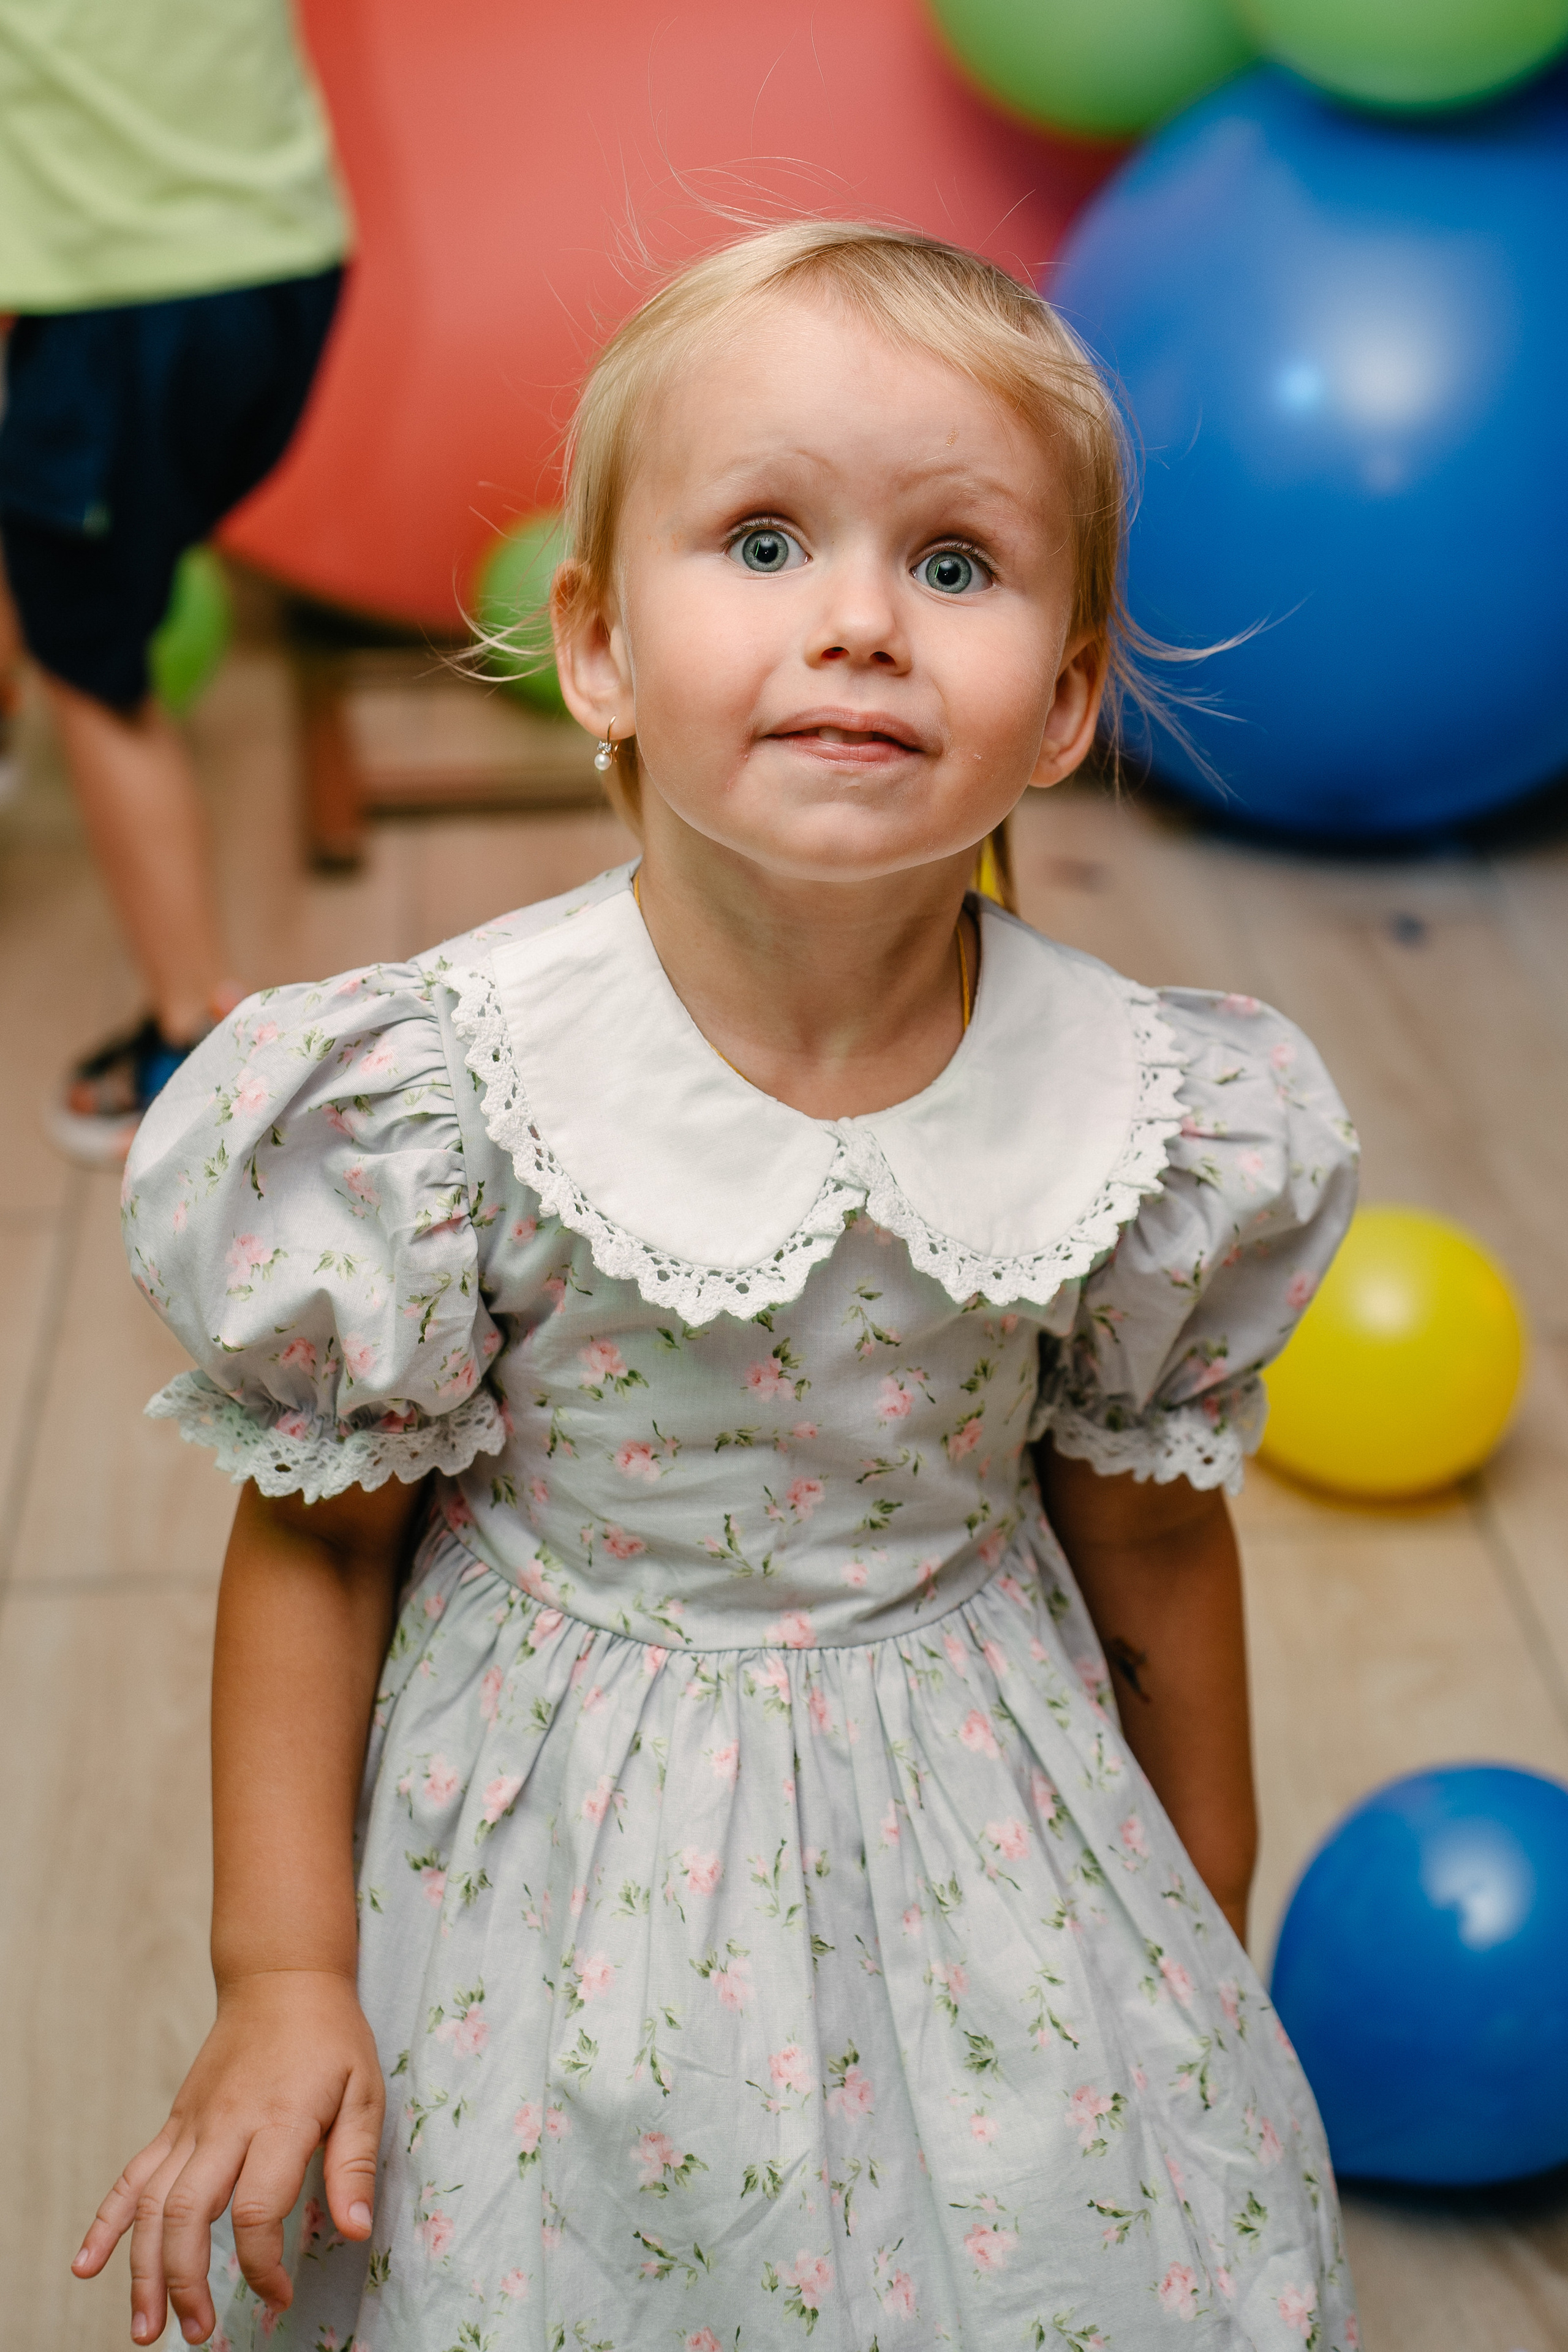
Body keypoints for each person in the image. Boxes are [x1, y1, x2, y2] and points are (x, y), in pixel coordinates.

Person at [82, 223, 1362, 2350]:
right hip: (568, 1836)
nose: (860, 621)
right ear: (596, 645)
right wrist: (285, 1978)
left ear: (1057, 700)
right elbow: (320, 1554)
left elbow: (1148, 1536)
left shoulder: (1143, 1116)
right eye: (763, 541)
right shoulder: (441, 1099)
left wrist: (1194, 1952)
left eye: (954, 567)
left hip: (983, 1805)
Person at [0, 0, 348, 1165]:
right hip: (288, 269)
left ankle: (187, 1035)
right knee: (55, 542)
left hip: (123, 306)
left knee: (91, 666)